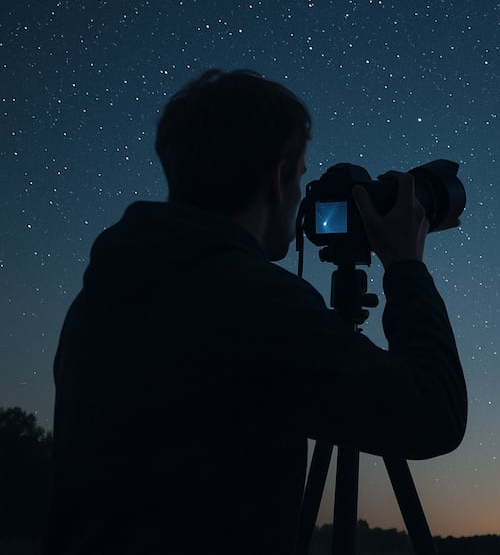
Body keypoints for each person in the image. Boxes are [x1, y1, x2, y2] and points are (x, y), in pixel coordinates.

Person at [44, 70, 467, 554]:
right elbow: (435, 415)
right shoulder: (254, 303)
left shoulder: (105, 292)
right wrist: (406, 267)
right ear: (278, 175)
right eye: (302, 174)